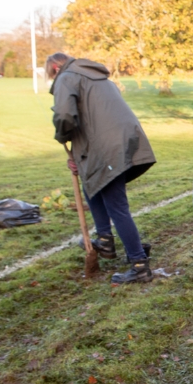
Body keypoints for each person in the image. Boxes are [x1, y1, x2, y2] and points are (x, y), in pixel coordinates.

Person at [46, 53, 156, 284]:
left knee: (116, 205)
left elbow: (65, 115)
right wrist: (78, 155)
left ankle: (139, 265)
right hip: (122, 141)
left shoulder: (67, 77)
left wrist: (61, 137)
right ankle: (105, 239)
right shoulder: (95, 75)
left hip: (106, 146)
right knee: (93, 185)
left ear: (55, 68)